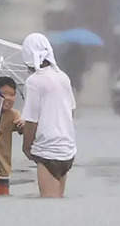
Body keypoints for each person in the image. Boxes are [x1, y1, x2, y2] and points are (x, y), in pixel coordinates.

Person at [20, 33, 77, 198]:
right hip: (68, 150)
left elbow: (31, 120)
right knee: (59, 203)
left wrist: (26, 147)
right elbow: (71, 111)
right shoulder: (63, 77)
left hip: (47, 152)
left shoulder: (33, 82)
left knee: (48, 206)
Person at [0, 76, 24, 196]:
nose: (8, 98)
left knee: (4, 197)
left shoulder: (14, 115)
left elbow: (23, 129)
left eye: (12, 94)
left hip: (4, 168)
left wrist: (23, 123)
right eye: (3, 94)